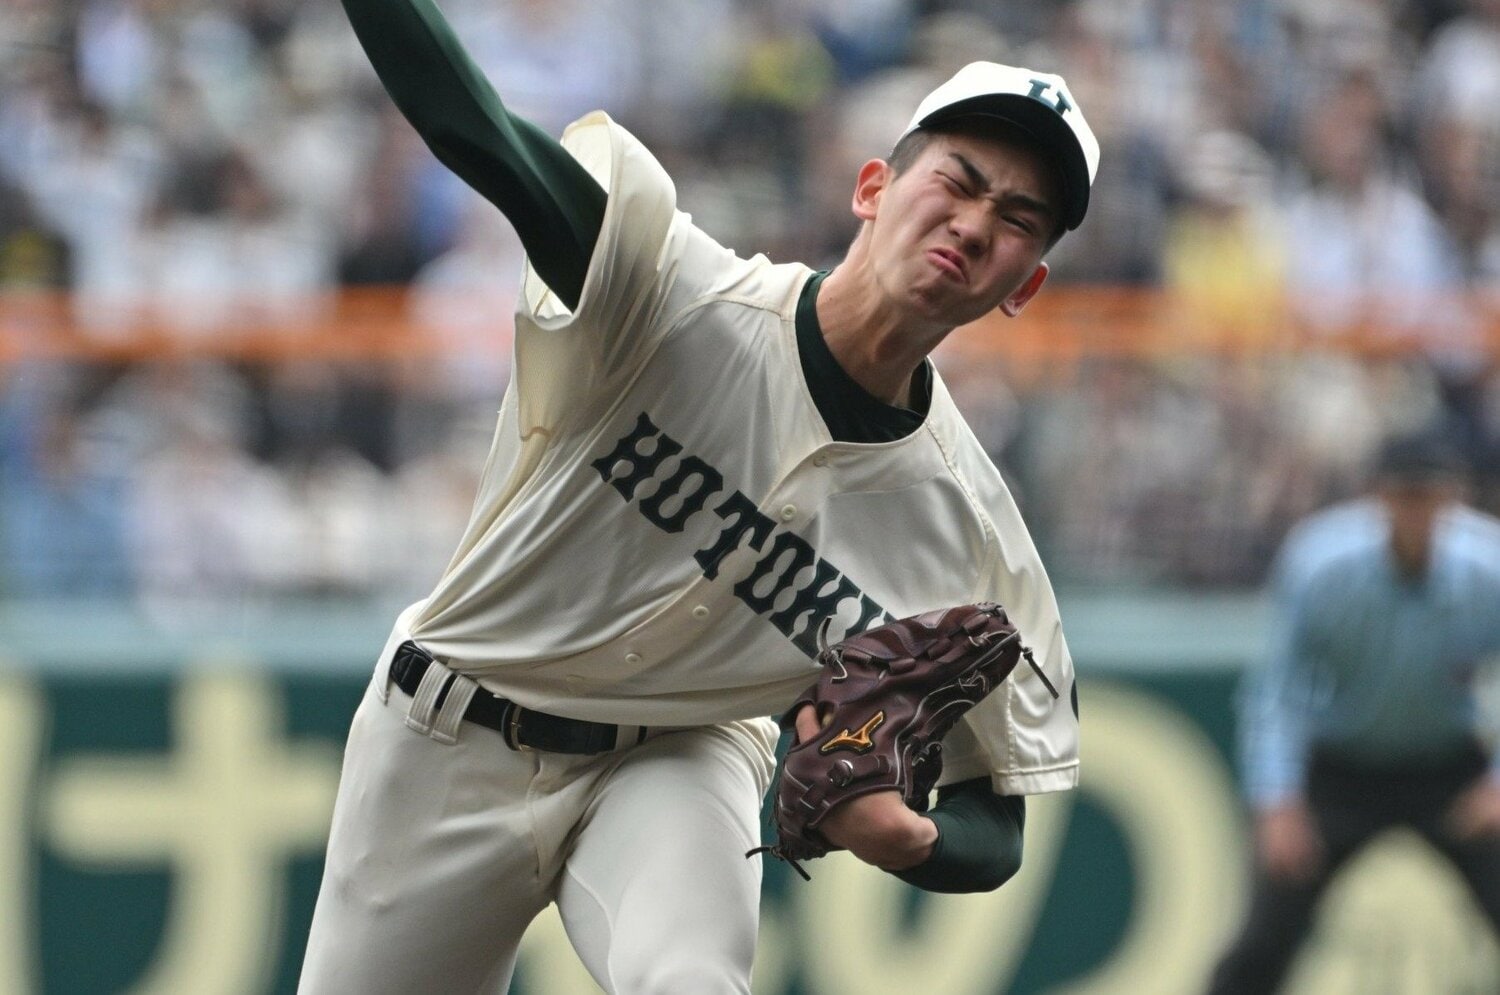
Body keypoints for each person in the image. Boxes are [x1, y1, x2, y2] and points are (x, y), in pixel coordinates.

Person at [300, 0, 1098, 989]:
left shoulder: (970, 536)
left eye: (1017, 221)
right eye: (960, 183)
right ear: (873, 188)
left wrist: (913, 837)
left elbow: (997, 814)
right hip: (451, 729)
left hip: (675, 758)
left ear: (1026, 285)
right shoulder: (672, 293)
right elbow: (474, 124)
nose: (976, 225)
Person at [1208, 428, 1500, 993]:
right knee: (1262, 944)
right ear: (1377, 498)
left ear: (1455, 498)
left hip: (1449, 765)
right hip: (1341, 767)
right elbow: (1279, 688)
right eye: (1406, 495)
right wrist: (1279, 801)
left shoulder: (1487, 569)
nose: (1419, 511)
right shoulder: (1322, 564)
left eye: (1432, 496)